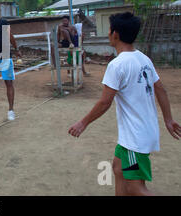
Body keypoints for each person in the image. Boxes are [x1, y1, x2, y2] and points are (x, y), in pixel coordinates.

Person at [68, 12, 181, 196]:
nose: (108, 34)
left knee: (135, 188)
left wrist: (83, 122)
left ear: (116, 34)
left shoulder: (117, 65)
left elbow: (105, 102)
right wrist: (168, 120)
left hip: (134, 139)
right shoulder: (143, 59)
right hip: (140, 134)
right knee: (118, 168)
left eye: (110, 30)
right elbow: (161, 89)